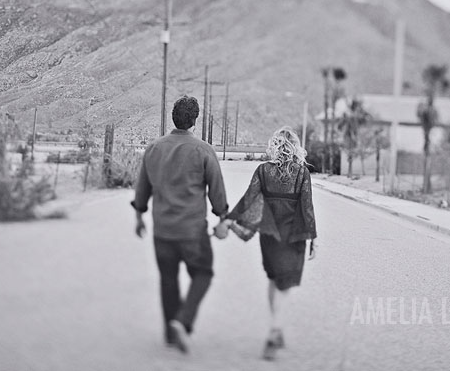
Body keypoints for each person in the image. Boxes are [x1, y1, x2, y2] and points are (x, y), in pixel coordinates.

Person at [131, 95, 229, 354]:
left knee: (168, 279)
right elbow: (216, 190)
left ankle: (170, 334)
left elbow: (143, 187)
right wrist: (222, 217)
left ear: (173, 118)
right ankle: (182, 321)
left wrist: (139, 216)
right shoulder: (203, 150)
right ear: (195, 120)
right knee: (203, 273)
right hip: (192, 230)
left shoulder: (154, 148)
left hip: (163, 230)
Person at [215, 126, 317, 361]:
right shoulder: (302, 174)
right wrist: (313, 238)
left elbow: (247, 200)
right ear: (295, 147)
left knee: (274, 280)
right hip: (294, 237)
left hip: (269, 235)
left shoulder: (263, 171)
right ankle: (275, 328)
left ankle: (276, 327)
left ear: (275, 146)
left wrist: (229, 220)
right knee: (285, 283)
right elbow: (307, 208)